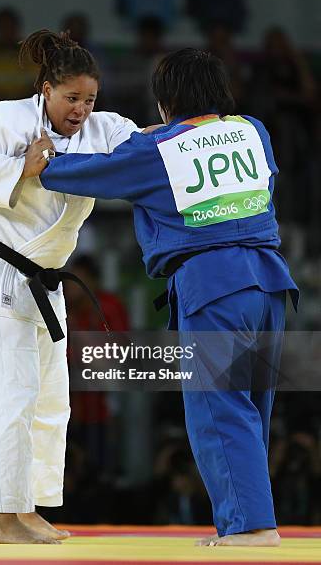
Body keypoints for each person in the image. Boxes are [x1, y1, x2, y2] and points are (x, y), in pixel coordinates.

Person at [36, 48, 299, 547]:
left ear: (164, 104)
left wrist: (42, 159)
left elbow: (85, 173)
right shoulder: (253, 131)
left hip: (215, 284)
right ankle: (248, 521)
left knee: (218, 406)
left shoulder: (157, 153)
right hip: (271, 283)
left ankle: (252, 528)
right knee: (252, 408)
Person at [0, 29, 138, 544]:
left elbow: (149, 148)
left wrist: (197, 127)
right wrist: (18, 167)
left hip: (43, 282)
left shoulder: (104, 129)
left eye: (89, 99)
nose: (81, 109)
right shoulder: (0, 119)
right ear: (45, 89)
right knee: (9, 396)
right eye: (71, 98)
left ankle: (28, 508)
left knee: (50, 400)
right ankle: (1, 517)